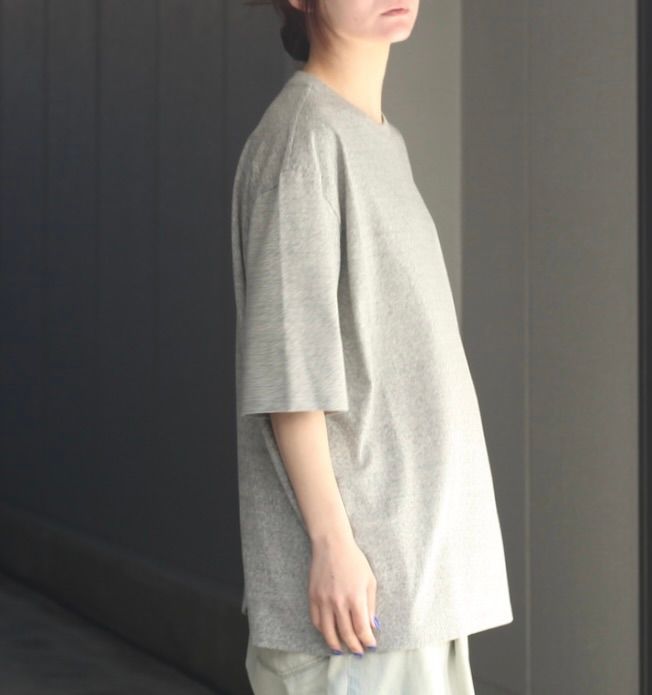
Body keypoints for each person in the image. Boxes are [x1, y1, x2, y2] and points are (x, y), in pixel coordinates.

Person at [230, 0, 514, 691]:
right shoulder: (304, 140)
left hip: (414, 586)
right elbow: (289, 367)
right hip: (358, 607)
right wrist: (331, 545)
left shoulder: (372, 137)